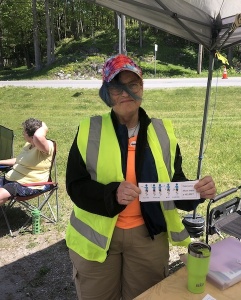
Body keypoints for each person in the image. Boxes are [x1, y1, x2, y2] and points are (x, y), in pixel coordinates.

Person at [65, 54, 216, 300]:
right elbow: (75, 186)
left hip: (149, 236)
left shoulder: (162, 131)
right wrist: (111, 193)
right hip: (96, 239)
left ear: (142, 88)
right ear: (107, 93)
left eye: (132, 85)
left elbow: (173, 181)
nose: (126, 93)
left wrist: (196, 192)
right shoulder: (88, 129)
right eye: (117, 87)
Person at [0, 118, 54, 205]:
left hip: (27, 184)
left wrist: (44, 127)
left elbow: (38, 137)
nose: (22, 134)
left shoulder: (46, 146)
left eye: (24, 131)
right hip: (10, 179)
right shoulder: (29, 145)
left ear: (32, 135)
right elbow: (19, 160)